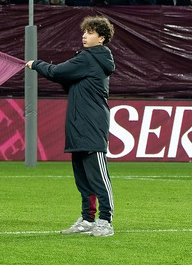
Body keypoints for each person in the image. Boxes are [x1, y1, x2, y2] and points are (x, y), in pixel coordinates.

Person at [26, 15, 116, 237]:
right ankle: (87, 219)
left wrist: (35, 64)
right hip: (78, 125)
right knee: (83, 178)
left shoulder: (90, 58)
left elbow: (56, 72)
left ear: (102, 38)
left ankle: (105, 221)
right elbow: (65, 79)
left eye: (91, 32)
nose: (85, 36)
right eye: (84, 32)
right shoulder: (88, 60)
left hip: (92, 124)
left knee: (98, 176)